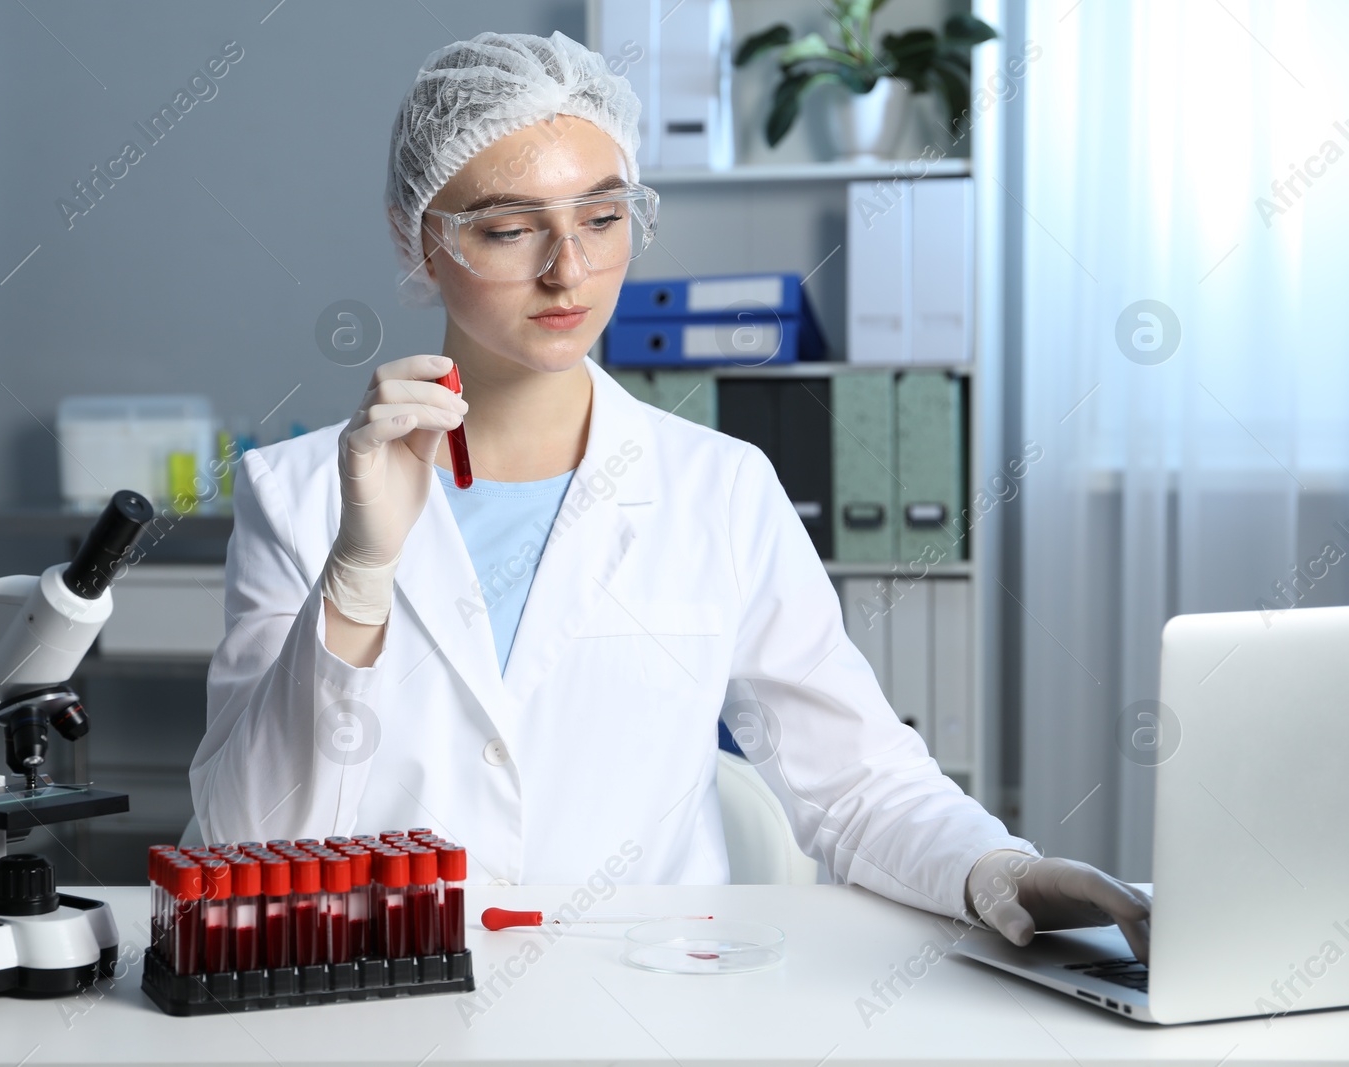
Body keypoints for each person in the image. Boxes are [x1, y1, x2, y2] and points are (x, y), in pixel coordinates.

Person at [193, 30, 1151, 961]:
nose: (567, 268)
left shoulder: (720, 490)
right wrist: (359, 572)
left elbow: (856, 779)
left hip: (650, 1003)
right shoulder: (301, 495)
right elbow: (240, 839)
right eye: (511, 227)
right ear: (419, 238)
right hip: (386, 1000)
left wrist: (1004, 872)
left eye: (602, 218)